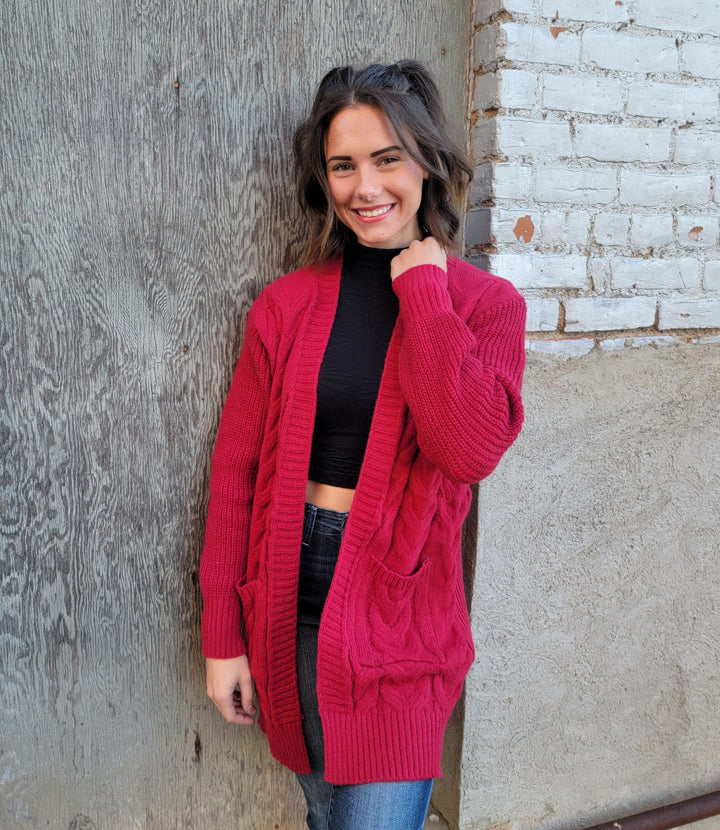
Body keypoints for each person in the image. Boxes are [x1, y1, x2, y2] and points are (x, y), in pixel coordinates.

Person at [200, 60, 526, 830]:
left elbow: (469, 449)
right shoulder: (284, 307)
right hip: (286, 588)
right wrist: (223, 636)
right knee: (322, 811)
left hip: (403, 605)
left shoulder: (486, 306)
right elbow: (237, 476)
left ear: (427, 164)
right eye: (343, 165)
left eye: (387, 159)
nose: (365, 187)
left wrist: (423, 290)